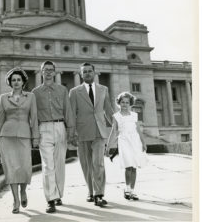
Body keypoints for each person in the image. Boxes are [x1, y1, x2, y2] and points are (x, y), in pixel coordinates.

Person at [0, 67, 39, 214]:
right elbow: (0, 118)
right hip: (6, 137)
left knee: (25, 168)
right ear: (10, 82)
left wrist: (35, 137)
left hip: (25, 136)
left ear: (23, 81)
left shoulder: (30, 97)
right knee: (11, 169)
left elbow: (34, 118)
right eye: (13, 80)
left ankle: (23, 191)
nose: (16, 82)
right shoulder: (3, 98)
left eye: (19, 79)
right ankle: (15, 201)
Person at [32, 61, 75, 213]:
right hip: (43, 128)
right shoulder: (35, 92)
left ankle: (58, 194)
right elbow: (34, 116)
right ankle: (50, 199)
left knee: (59, 165)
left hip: (60, 127)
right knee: (47, 165)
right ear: (41, 72)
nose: (48, 72)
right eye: (46, 70)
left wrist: (70, 131)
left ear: (55, 72)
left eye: (51, 70)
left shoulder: (62, 90)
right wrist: (35, 136)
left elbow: (68, 111)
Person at [69, 62, 113, 207]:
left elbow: (108, 110)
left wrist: (118, 126)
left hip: (100, 132)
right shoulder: (74, 92)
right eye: (84, 71)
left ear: (94, 73)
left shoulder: (103, 89)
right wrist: (72, 133)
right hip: (82, 132)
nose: (87, 73)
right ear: (81, 74)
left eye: (89, 71)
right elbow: (72, 114)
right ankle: (90, 191)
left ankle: (99, 194)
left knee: (98, 163)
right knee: (86, 165)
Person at [105, 91, 147, 201]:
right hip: (124, 142)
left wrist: (143, 142)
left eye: (127, 102)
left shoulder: (134, 115)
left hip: (135, 142)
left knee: (134, 167)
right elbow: (114, 132)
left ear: (130, 103)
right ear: (119, 103)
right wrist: (108, 146)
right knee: (128, 167)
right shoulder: (116, 116)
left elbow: (138, 130)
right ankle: (127, 189)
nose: (124, 104)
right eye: (122, 102)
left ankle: (132, 191)